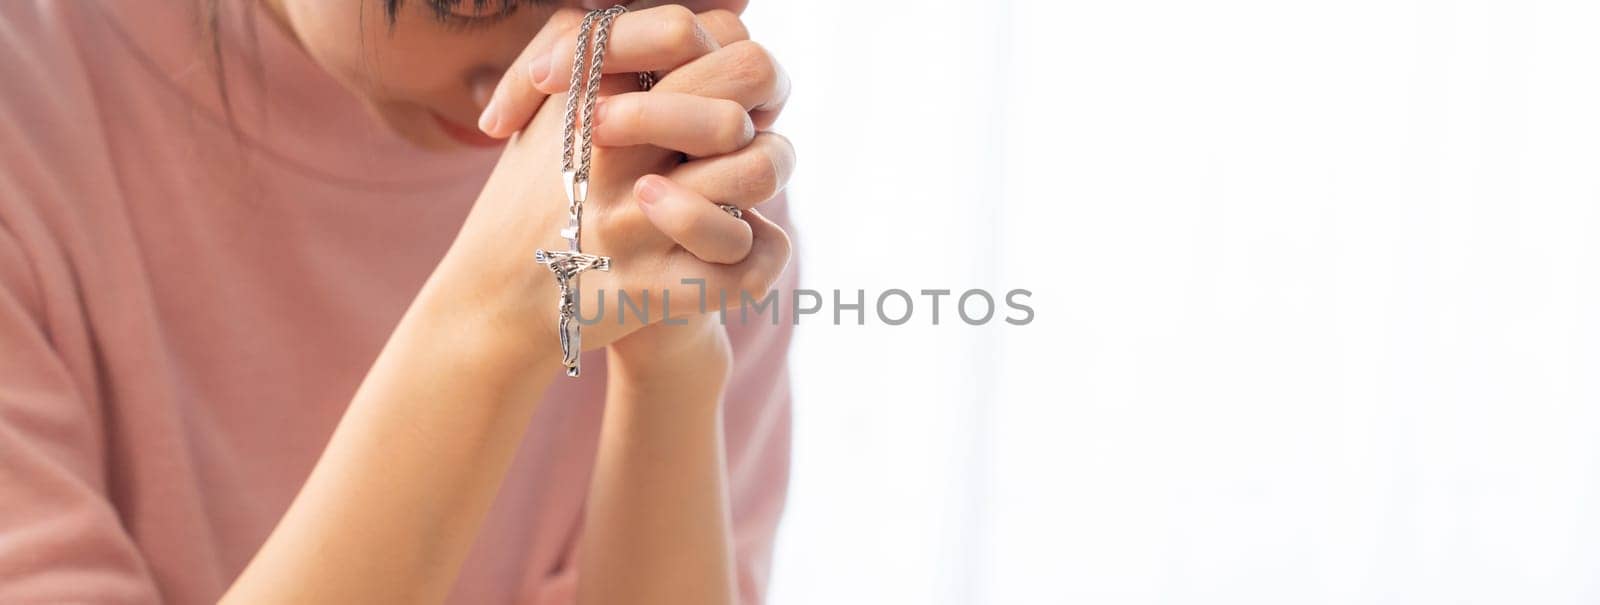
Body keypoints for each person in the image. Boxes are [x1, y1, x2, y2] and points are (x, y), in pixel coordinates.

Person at [0, 0, 797, 603]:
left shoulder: (674, 172)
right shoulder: (34, 113)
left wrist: (676, 368)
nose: (558, 58)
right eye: (472, 0)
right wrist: (486, 323)